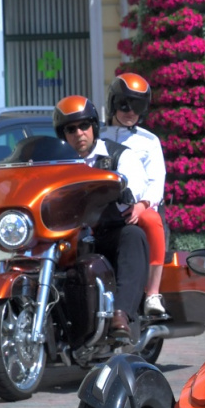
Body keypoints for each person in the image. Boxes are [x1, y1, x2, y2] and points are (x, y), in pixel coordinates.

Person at [53, 94, 149, 340]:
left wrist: (125, 189)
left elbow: (135, 181)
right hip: (66, 236)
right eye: (71, 129)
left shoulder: (118, 155)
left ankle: (121, 314)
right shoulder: (55, 163)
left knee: (133, 235)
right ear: (63, 134)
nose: (79, 133)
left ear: (94, 126)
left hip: (106, 233)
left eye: (84, 125)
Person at [100, 73, 168, 316]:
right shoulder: (97, 137)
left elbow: (156, 180)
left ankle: (152, 294)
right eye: (124, 105)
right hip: (100, 209)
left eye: (137, 106)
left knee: (152, 220)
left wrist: (142, 205)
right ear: (113, 104)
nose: (130, 112)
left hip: (137, 207)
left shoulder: (149, 141)